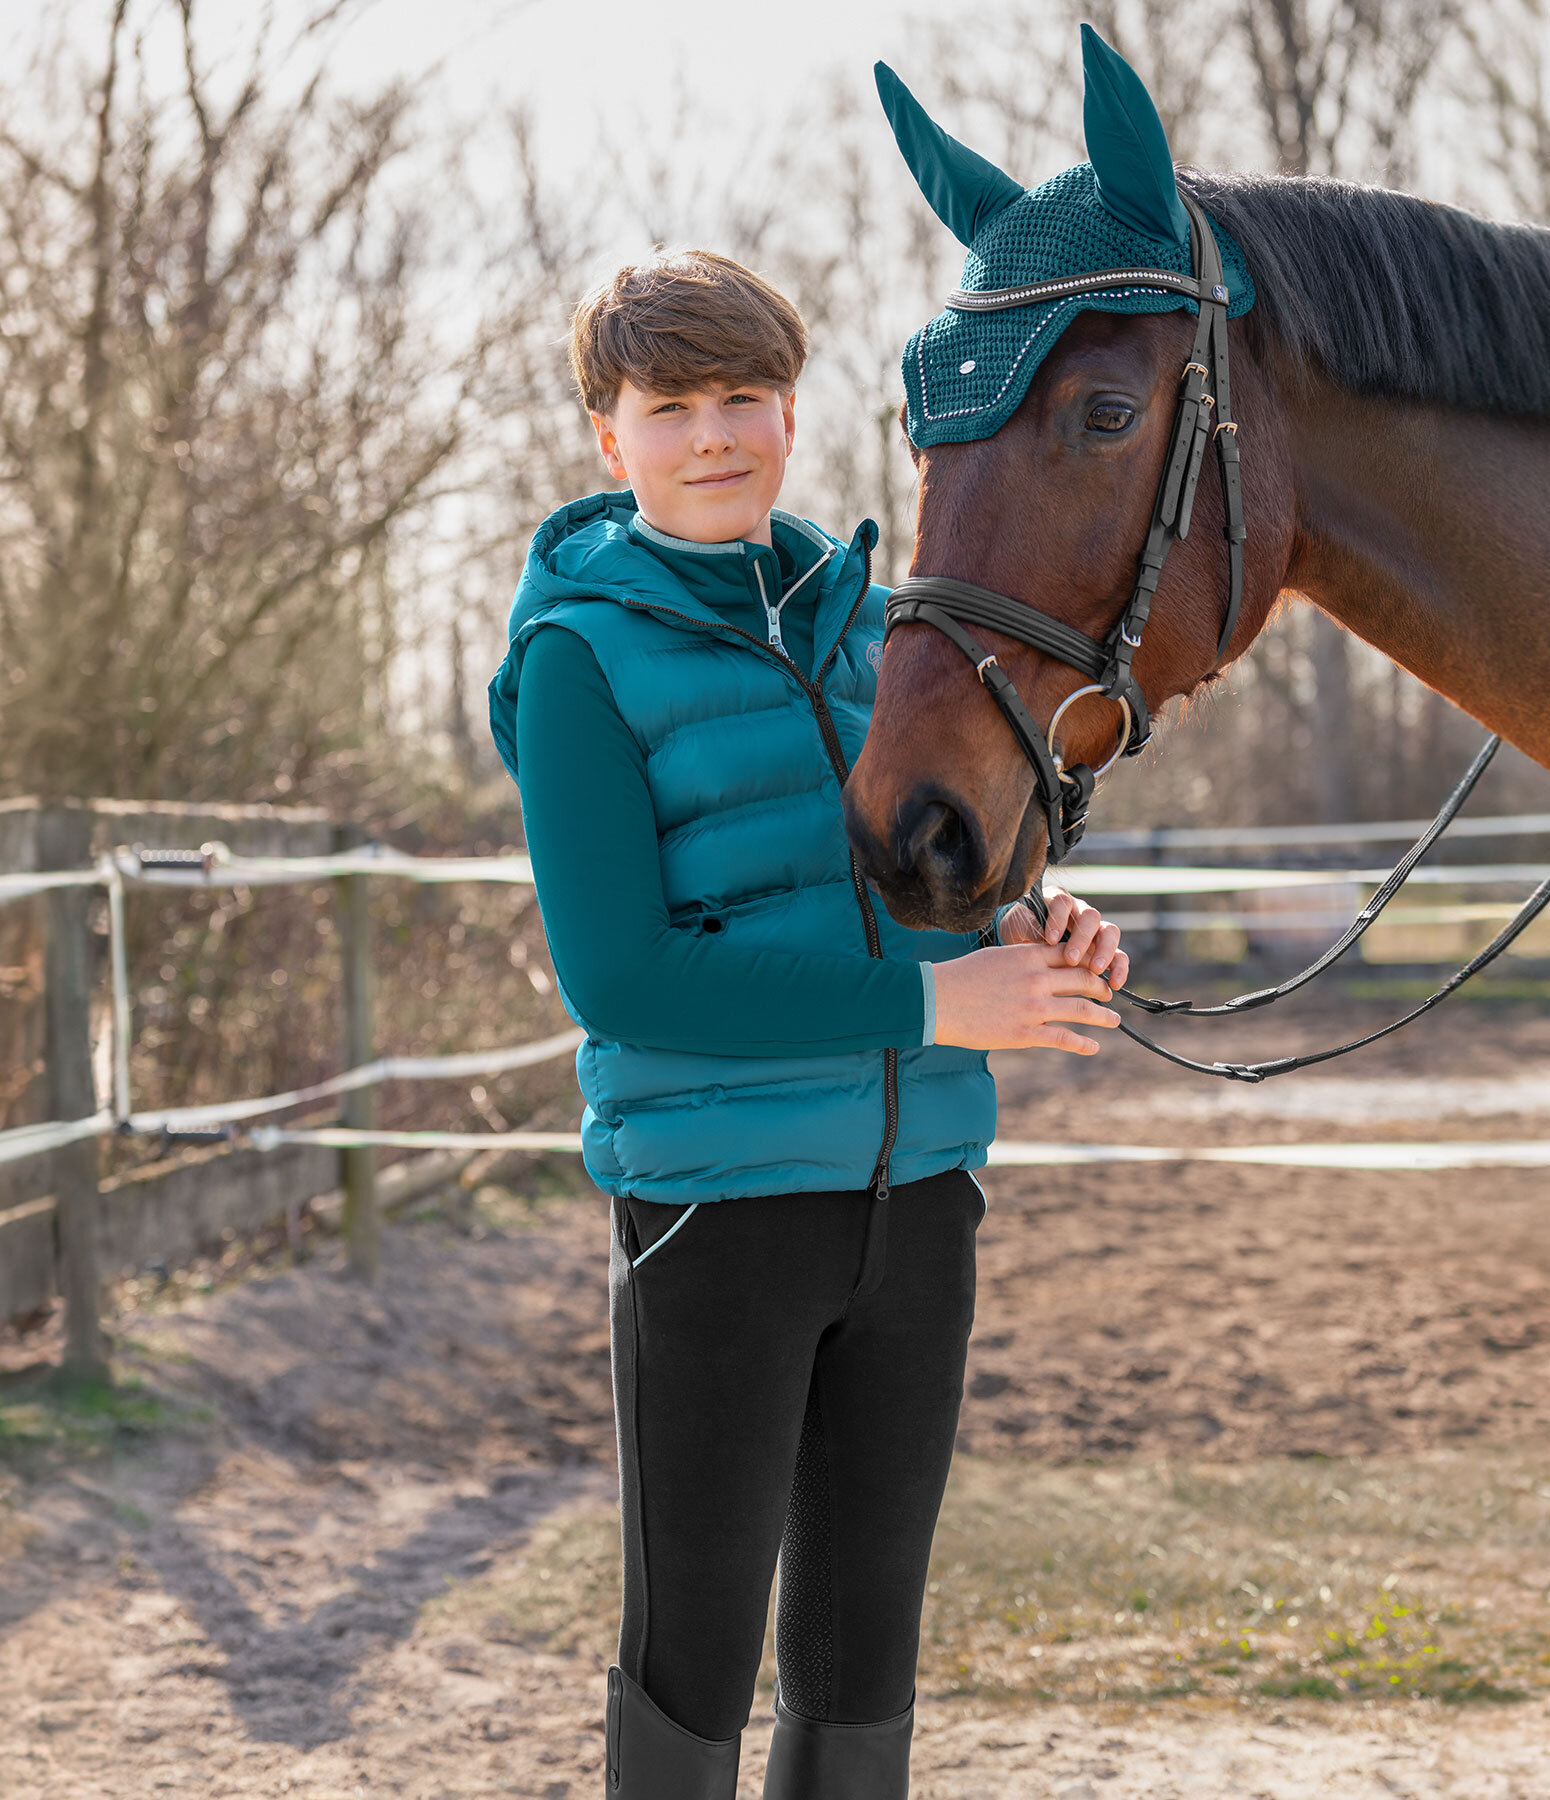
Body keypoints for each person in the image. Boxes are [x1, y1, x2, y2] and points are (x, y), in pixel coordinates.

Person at [487, 249, 1128, 1800]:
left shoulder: (874, 627)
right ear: (607, 439)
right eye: (669, 406)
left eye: (742, 398)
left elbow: (924, 879)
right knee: (694, 1654)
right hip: (717, 1210)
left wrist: (1027, 938)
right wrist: (931, 997)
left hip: (920, 1202)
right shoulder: (577, 660)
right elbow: (621, 979)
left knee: (862, 1662)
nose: (712, 435)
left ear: (788, 411)